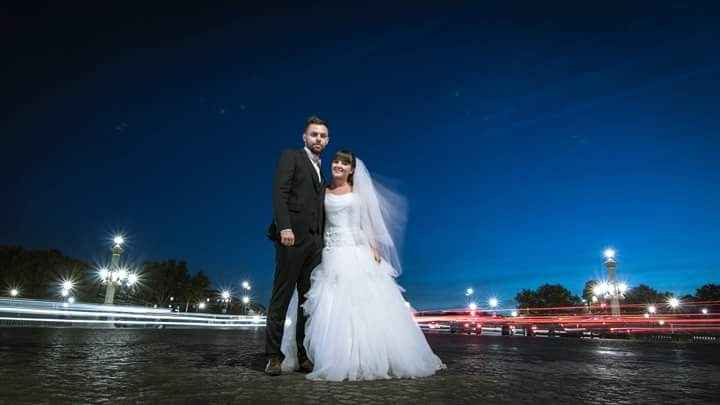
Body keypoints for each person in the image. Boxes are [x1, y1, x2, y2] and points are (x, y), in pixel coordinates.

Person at [281, 149, 445, 381]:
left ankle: (362, 357)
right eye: (336, 161)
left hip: (356, 250)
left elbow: (366, 222)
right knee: (330, 305)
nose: (338, 165)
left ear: (351, 170)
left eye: (344, 163)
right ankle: (330, 355)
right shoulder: (323, 191)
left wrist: (374, 248)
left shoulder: (358, 194)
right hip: (330, 251)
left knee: (362, 305)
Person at [265, 115, 329, 376]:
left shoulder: (321, 169)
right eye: (314, 134)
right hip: (291, 239)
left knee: (307, 302)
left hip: (314, 243)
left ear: (328, 140)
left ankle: (303, 355)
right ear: (304, 137)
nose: (318, 139)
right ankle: (272, 357)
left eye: (323, 136)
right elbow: (279, 192)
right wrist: (285, 227)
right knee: (281, 296)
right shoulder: (291, 156)